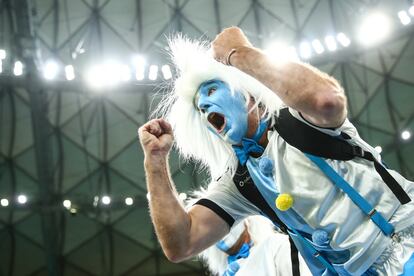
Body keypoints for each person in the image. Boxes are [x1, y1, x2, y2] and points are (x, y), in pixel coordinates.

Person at [138, 27, 414, 275]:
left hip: (405, 248)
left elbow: (326, 100)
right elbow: (181, 244)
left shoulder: (298, 119)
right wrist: (155, 162)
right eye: (200, 107)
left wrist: (238, 54)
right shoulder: (239, 181)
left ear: (246, 93)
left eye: (211, 91)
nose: (205, 108)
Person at [197, 215, 312, 276]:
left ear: (246, 221)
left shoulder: (274, 244)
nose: (220, 231)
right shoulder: (229, 271)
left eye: (223, 222)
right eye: (212, 229)